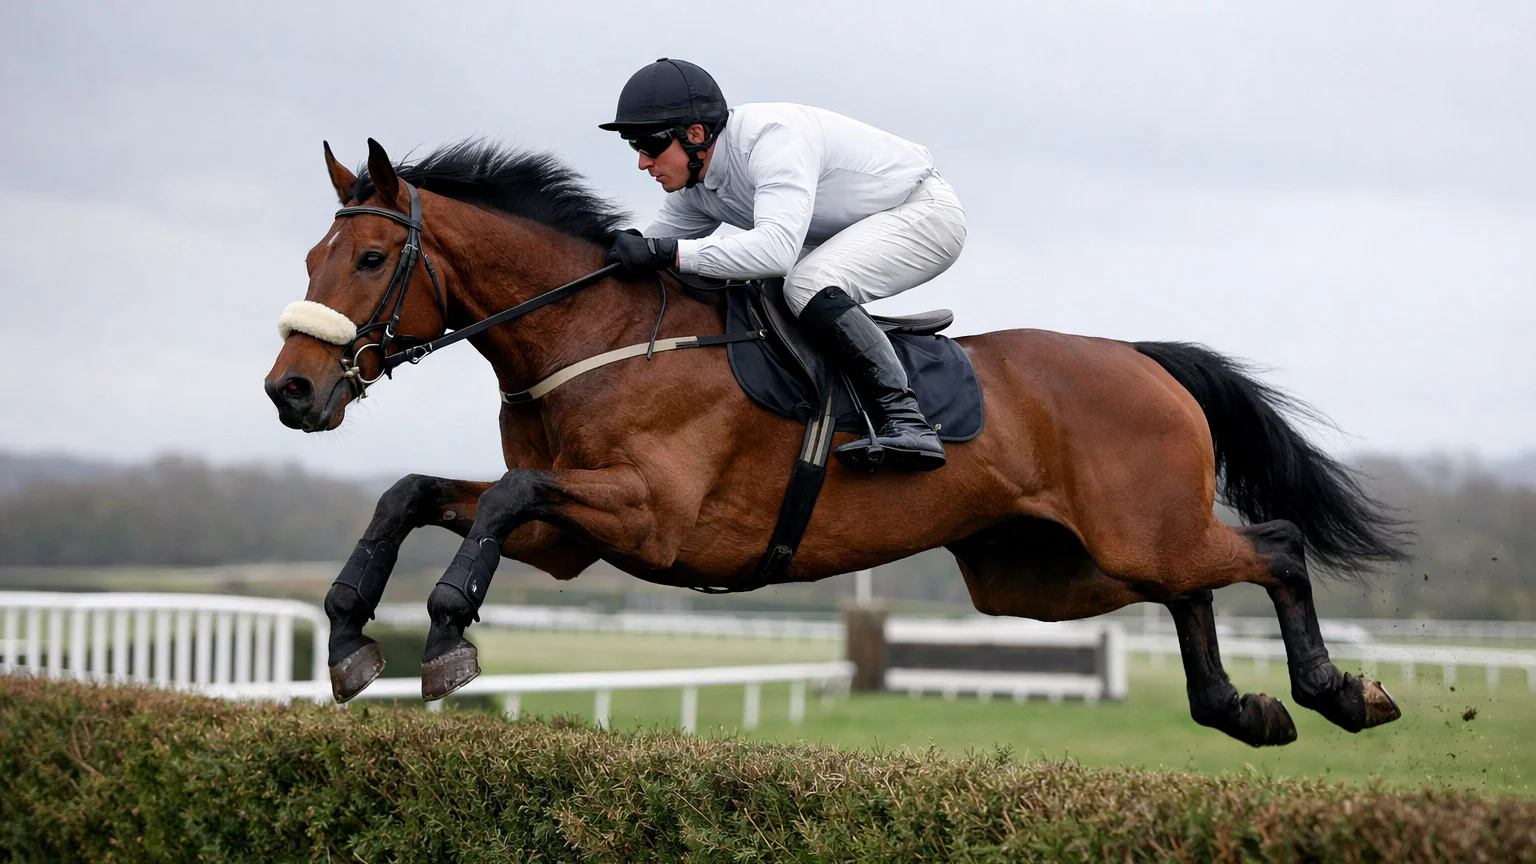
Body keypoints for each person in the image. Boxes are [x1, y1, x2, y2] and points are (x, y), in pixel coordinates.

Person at [599, 58, 966, 472]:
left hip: (924, 214)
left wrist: (669, 253)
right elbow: (651, 249)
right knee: (771, 286)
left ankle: (907, 420)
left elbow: (774, 252)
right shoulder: (697, 184)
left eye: (648, 146)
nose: (642, 163)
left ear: (696, 134)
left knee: (804, 283)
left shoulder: (772, 140)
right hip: (849, 231)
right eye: (635, 148)